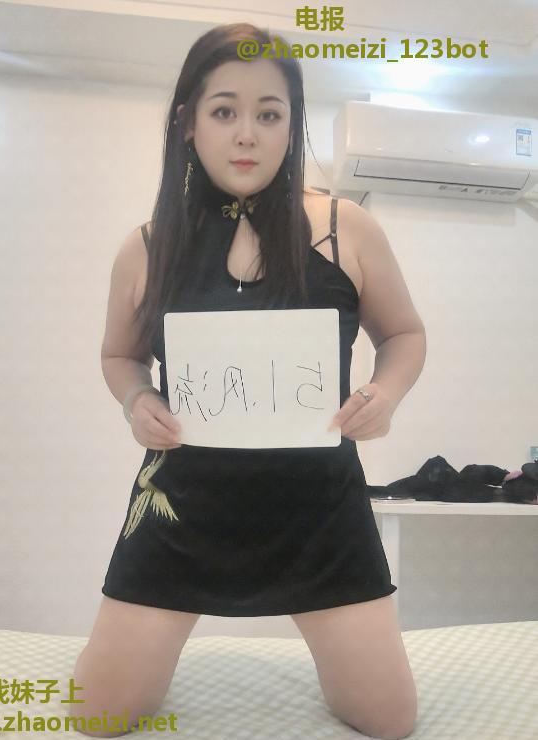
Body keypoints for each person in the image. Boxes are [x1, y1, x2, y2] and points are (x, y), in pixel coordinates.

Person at [70, 22, 425, 740]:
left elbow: (404, 336)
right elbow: (118, 357)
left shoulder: (344, 228)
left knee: (388, 722)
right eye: (224, 110)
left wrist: (383, 395)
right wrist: (137, 398)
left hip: (318, 508)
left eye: (269, 114)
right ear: (188, 122)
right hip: (183, 504)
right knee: (97, 717)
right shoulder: (147, 247)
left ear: (292, 125)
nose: (246, 134)